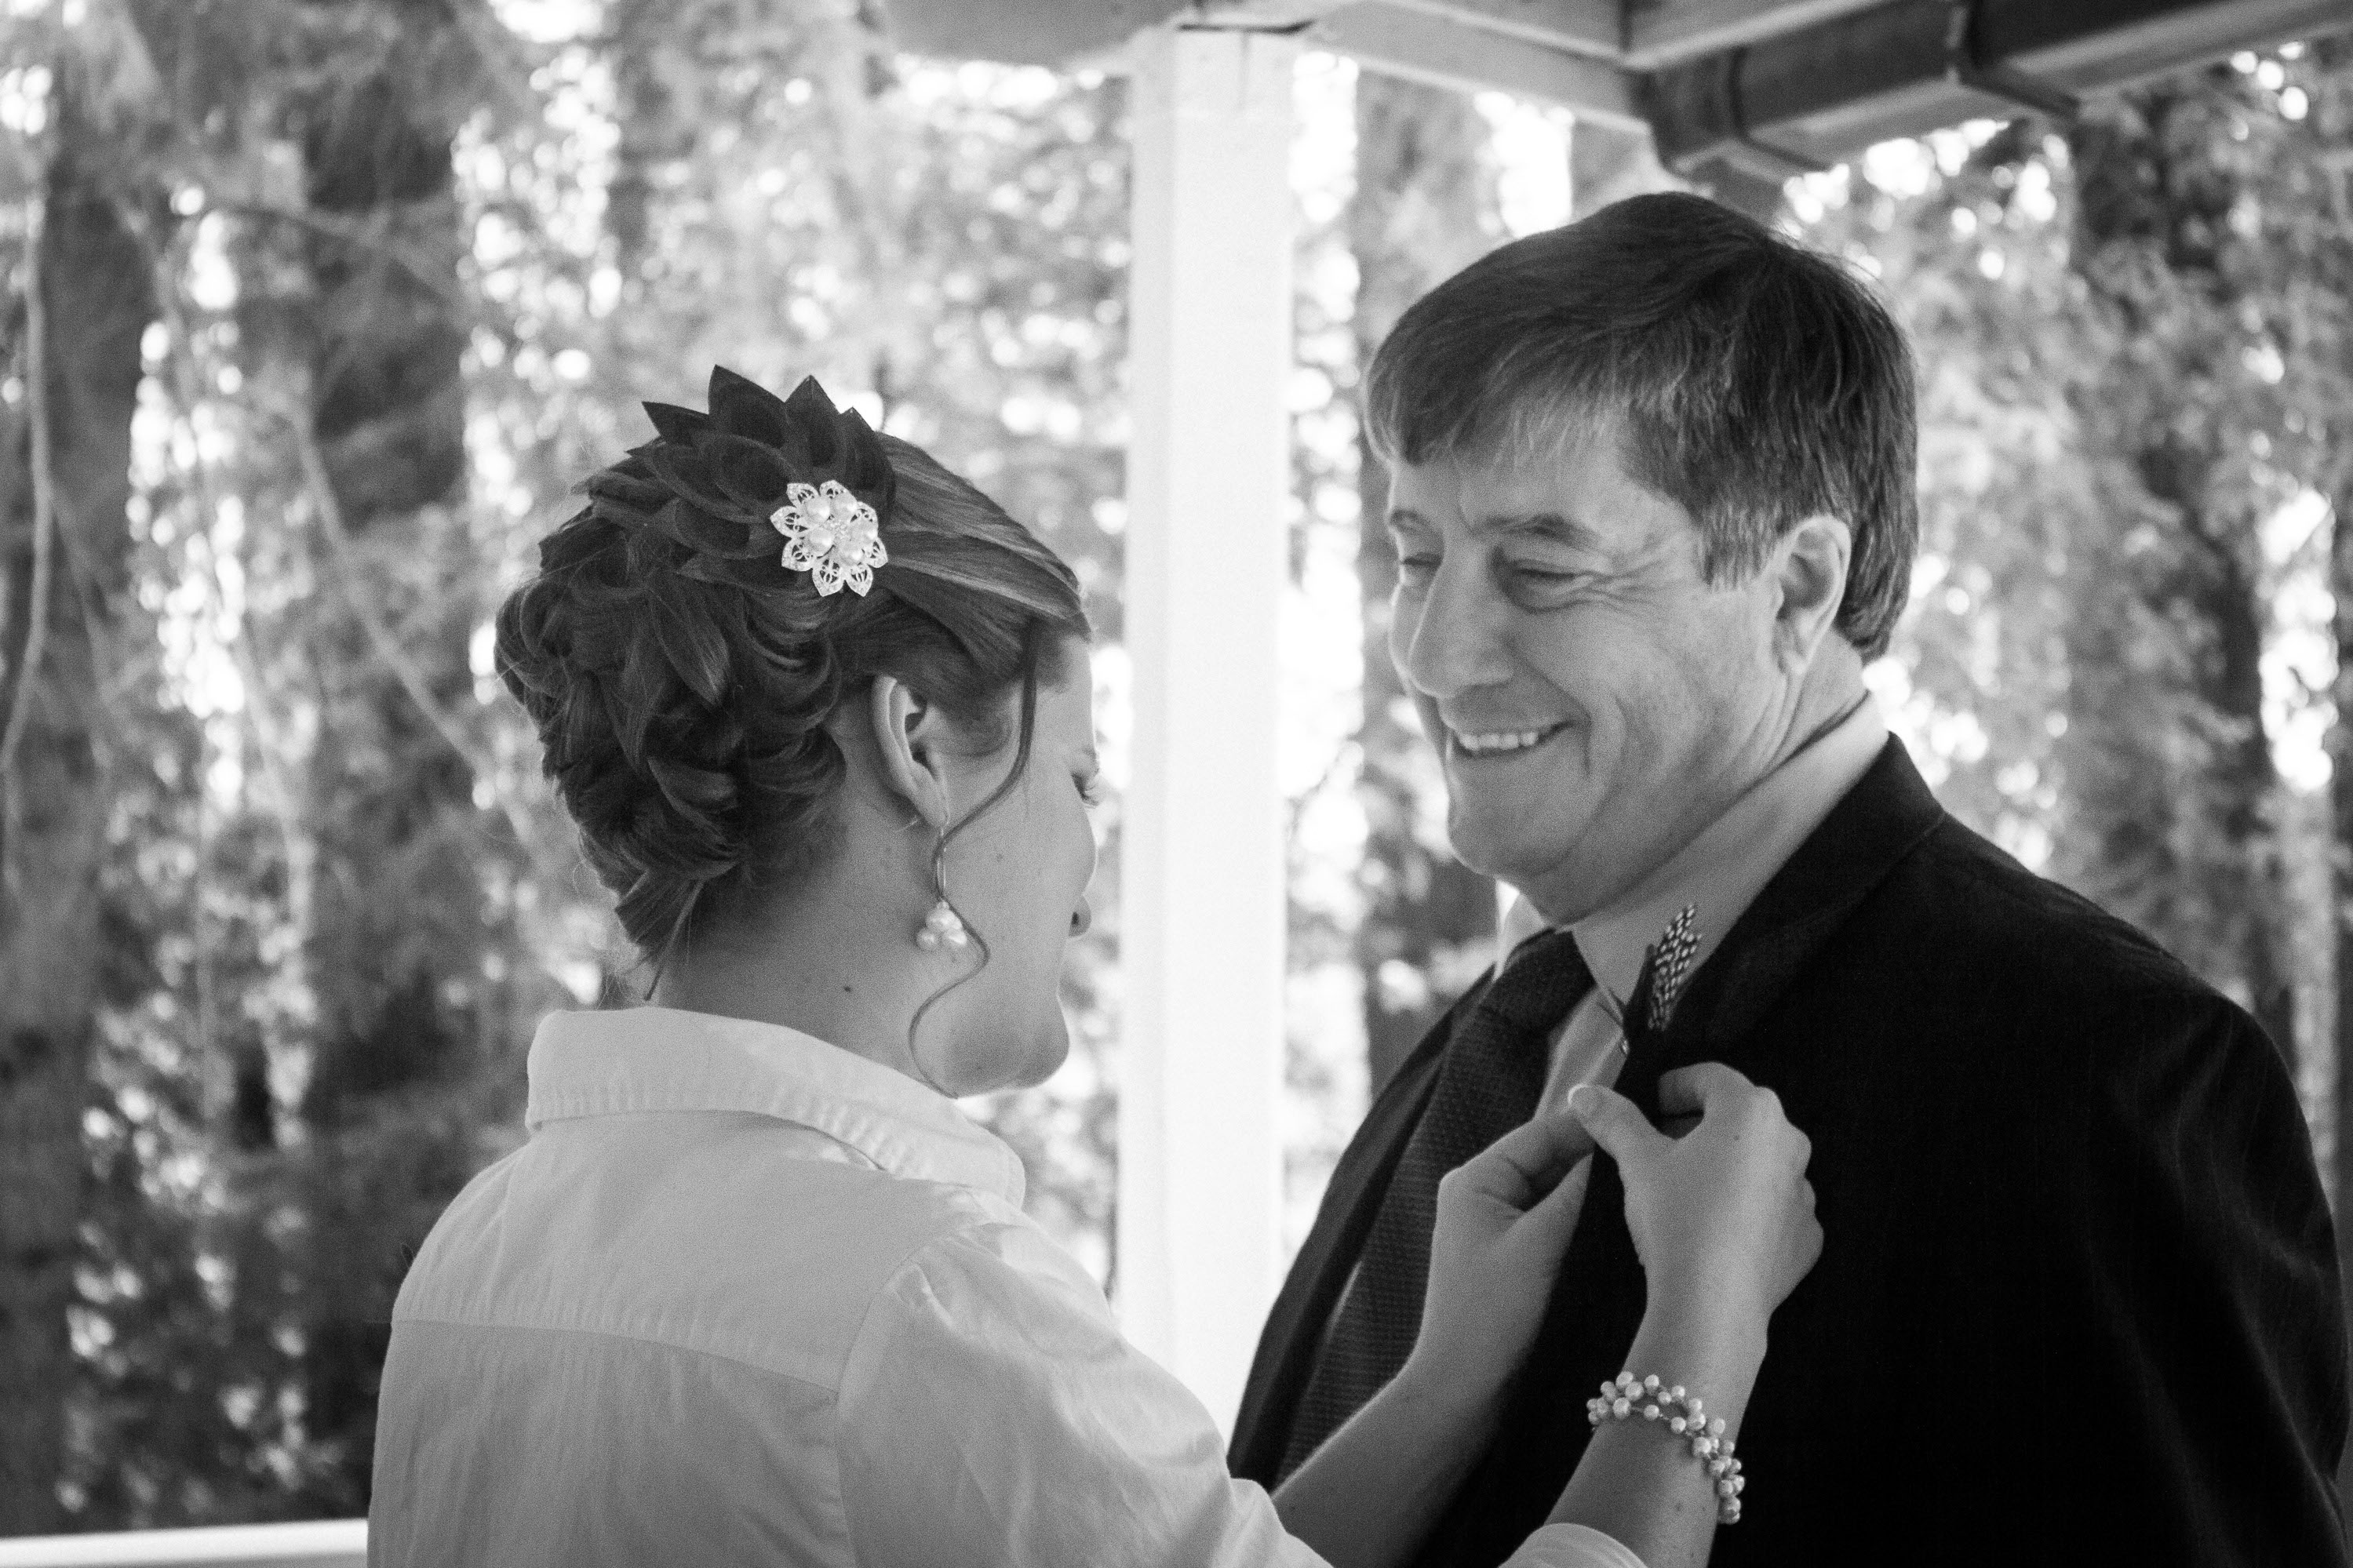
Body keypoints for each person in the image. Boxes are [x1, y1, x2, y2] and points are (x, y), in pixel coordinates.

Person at [366, 368, 1823, 1568]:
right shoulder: (921, 1308)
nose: (1089, 856)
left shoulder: (487, 1247)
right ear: (921, 751)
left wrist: (1444, 1384)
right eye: (1076, 778)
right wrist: (1701, 1336)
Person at [1228, 191, 2350, 1568]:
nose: (1434, 648)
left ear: (1797, 586)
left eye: (1539, 568)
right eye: (1416, 555)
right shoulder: (1522, 1021)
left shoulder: (2098, 1075)